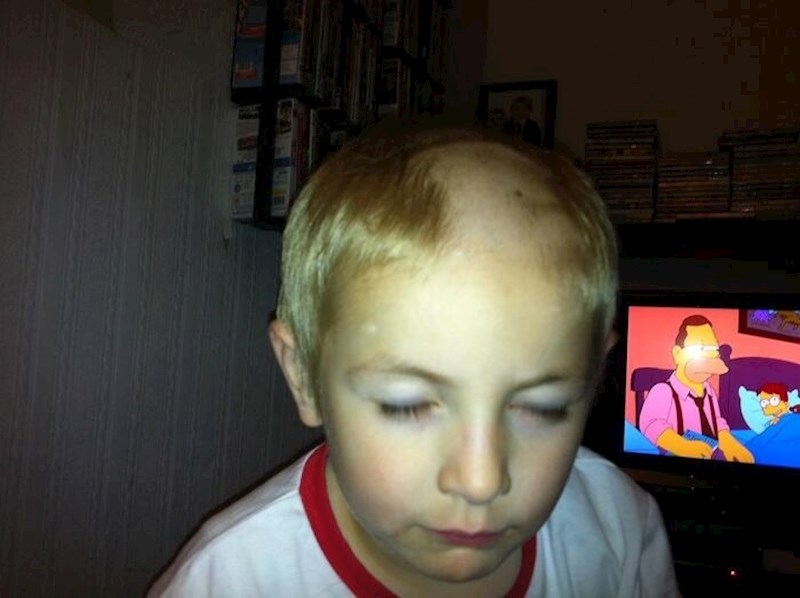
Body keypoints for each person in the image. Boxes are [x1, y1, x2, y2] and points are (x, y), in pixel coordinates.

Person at [148, 122, 679, 597]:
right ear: (304, 375)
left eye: (543, 406)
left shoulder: (619, 531)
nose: (480, 481)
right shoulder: (227, 582)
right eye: (407, 404)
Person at [638, 315, 754, 462]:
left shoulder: (710, 392)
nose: (708, 356)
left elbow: (716, 421)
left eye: (713, 349)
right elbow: (651, 425)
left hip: (710, 448)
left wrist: (728, 441)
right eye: (700, 349)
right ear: (678, 354)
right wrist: (682, 446)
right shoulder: (663, 391)